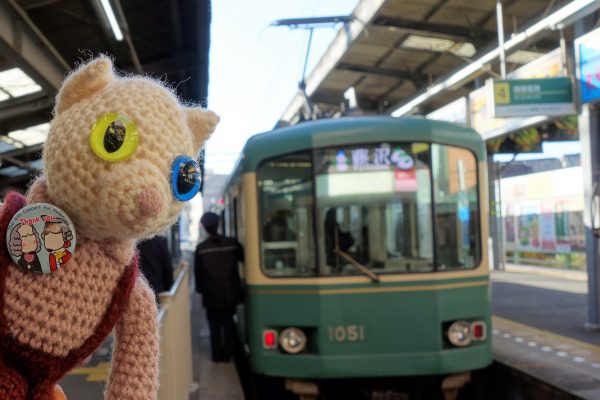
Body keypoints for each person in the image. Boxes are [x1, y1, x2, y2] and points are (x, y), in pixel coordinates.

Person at [194, 211, 244, 363]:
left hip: (211, 295)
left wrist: (201, 289)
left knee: (214, 326)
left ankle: (216, 356)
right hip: (230, 293)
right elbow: (244, 258)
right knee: (229, 323)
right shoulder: (232, 243)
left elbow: (198, 274)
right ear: (218, 225)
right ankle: (228, 354)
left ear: (205, 228)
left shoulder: (201, 248)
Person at [138, 235, 174, 301]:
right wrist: (168, 289)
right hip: (159, 292)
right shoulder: (160, 241)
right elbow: (168, 269)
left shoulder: (134, 242)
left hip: (140, 293)